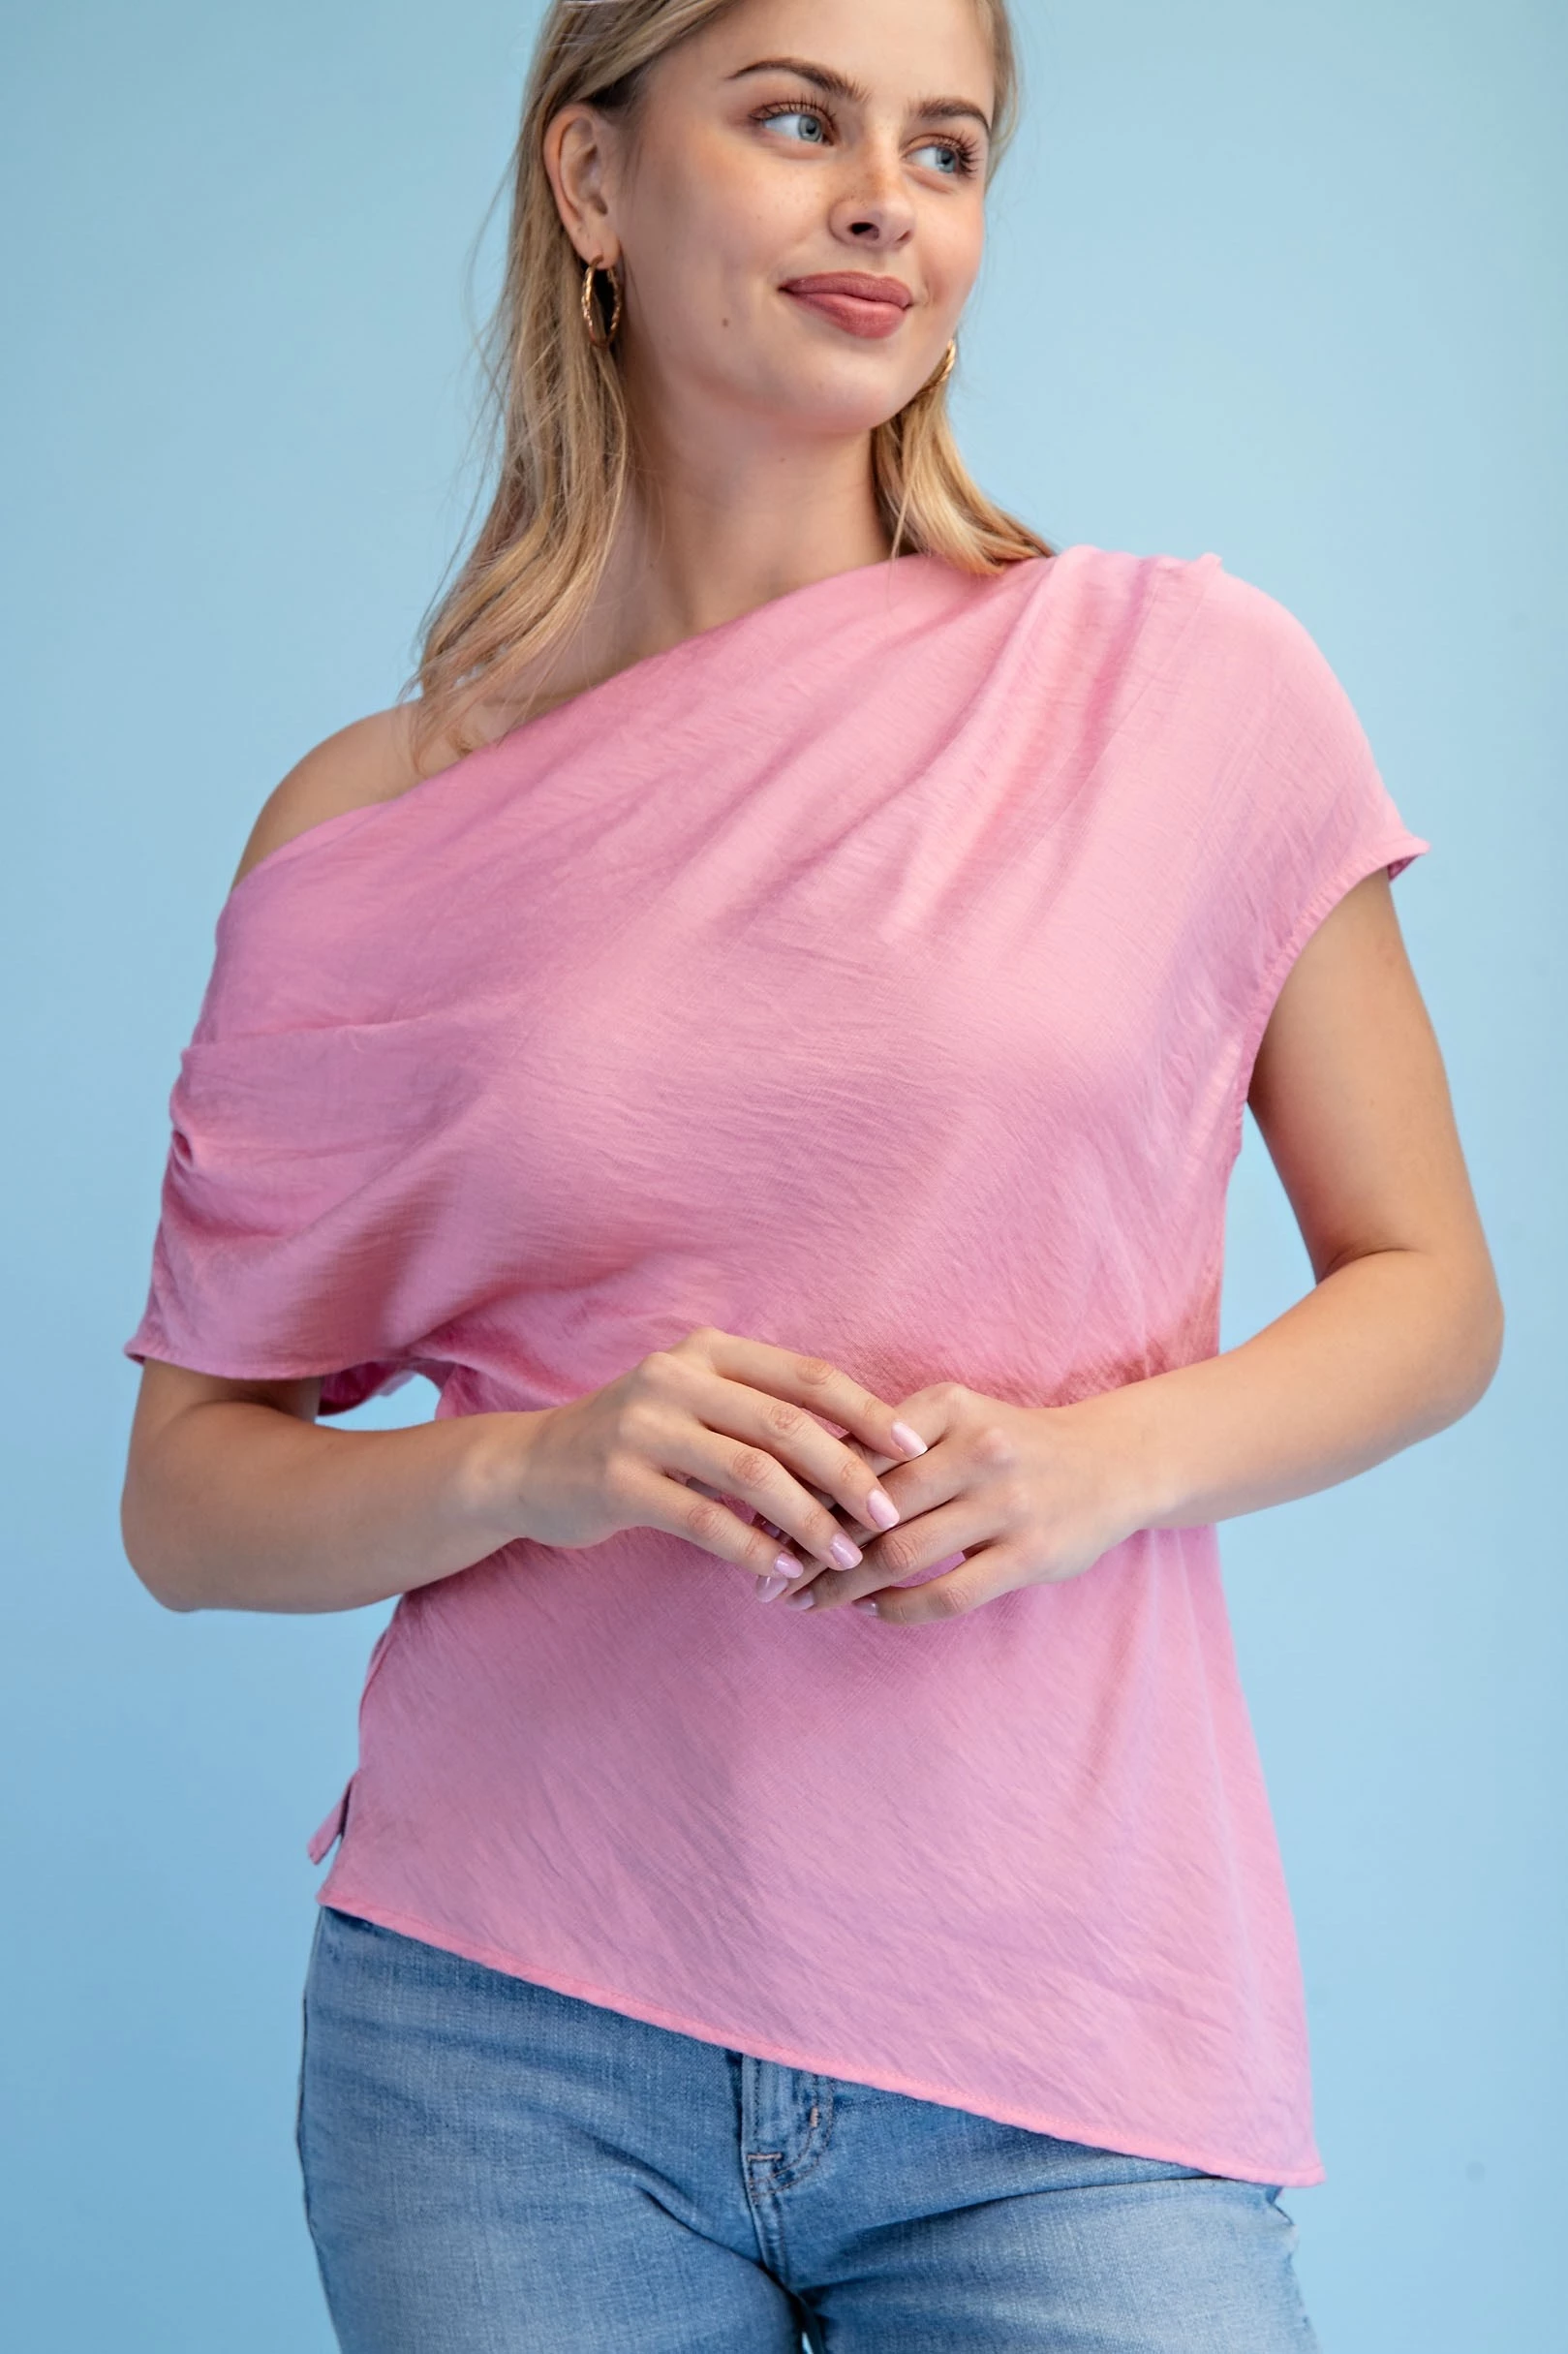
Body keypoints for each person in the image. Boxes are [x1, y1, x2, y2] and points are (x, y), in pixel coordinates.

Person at [118, 2, 1503, 2347]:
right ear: (590, 182)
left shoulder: (1177, 687)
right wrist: (540, 1465)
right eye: (794, 120)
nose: (883, 200)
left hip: (1058, 2022)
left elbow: (1427, 1289)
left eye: (943, 149)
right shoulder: (367, 824)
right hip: (498, 2042)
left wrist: (1095, 1468)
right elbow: (187, 1502)